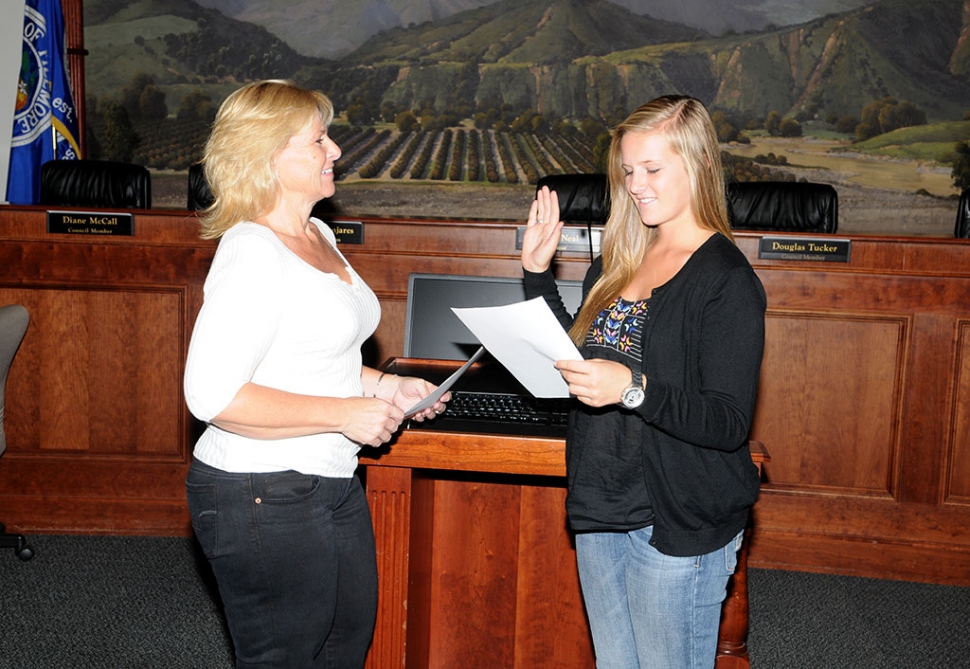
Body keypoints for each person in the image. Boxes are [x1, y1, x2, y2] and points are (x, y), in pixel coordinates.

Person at [183, 79, 448, 669]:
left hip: (327, 478)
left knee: (343, 645)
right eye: (319, 140)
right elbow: (212, 393)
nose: (336, 152)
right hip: (260, 491)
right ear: (266, 157)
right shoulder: (252, 250)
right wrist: (344, 414)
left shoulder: (318, 234)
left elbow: (319, 359)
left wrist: (384, 386)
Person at [520, 95, 766, 669]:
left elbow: (727, 421)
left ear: (699, 164)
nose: (636, 184)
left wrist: (633, 389)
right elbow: (578, 362)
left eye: (653, 169)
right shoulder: (618, 257)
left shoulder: (726, 278)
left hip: (677, 513)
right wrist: (536, 276)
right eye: (628, 171)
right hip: (602, 500)